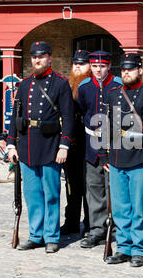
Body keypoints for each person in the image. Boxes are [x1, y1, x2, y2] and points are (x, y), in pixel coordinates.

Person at [7, 41, 74, 253]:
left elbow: (68, 118)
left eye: (42, 56)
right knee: (32, 194)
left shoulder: (60, 83)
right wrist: (10, 144)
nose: (37, 60)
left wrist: (64, 145)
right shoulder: (25, 84)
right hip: (26, 145)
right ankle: (36, 235)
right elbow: (15, 117)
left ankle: (52, 236)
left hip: (50, 145)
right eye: (34, 57)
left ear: (49, 58)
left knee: (51, 193)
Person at [100, 53, 143, 267]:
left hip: (140, 160)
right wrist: (103, 154)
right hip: (118, 158)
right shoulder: (112, 94)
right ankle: (124, 248)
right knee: (120, 208)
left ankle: (138, 249)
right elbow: (106, 126)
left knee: (138, 208)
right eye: (124, 69)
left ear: (140, 71)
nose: (126, 72)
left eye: (131, 69)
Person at [78, 51, 123, 248]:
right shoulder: (85, 87)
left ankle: (116, 226)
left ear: (109, 66)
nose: (98, 70)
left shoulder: (119, 85)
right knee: (94, 187)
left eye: (102, 66)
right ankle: (96, 228)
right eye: (95, 66)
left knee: (114, 187)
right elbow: (81, 111)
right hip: (92, 143)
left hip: (114, 143)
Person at [60, 50, 91, 236]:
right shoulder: (68, 85)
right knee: (71, 184)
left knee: (88, 184)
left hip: (87, 140)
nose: (78, 66)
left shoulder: (89, 86)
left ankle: (89, 223)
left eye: (82, 63)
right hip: (71, 142)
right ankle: (71, 221)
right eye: (75, 63)